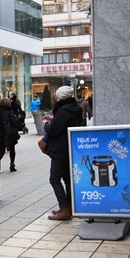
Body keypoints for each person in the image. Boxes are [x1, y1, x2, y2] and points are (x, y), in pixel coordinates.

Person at [43, 86, 82, 220]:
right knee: (67, 178)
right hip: (70, 148)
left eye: (57, 97)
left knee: (54, 178)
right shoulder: (74, 108)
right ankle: (69, 206)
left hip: (60, 150)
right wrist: (55, 119)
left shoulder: (63, 111)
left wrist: (47, 124)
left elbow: (53, 130)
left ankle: (64, 209)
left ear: (60, 98)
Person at [0, 98, 20, 172]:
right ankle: (12, 164)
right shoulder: (10, 111)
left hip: (0, 133)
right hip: (10, 133)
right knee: (12, 149)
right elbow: (14, 122)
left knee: (1, 150)